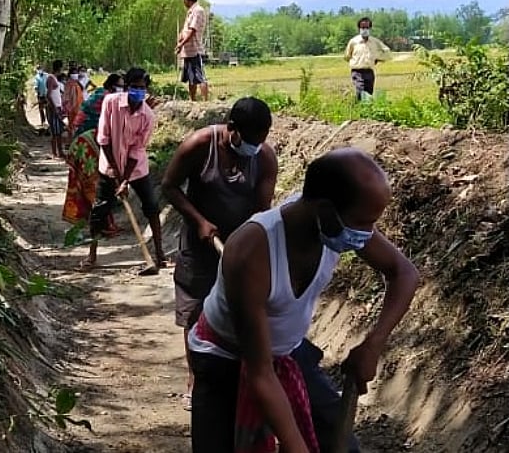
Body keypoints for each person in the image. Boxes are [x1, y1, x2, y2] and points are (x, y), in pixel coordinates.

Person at [189, 148, 420, 453]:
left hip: (288, 354)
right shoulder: (251, 250)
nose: (366, 235)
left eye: (371, 224)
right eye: (362, 223)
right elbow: (260, 373)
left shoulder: (334, 223)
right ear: (323, 209)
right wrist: (295, 445)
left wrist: (373, 344)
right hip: (225, 359)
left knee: (342, 446)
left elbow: (404, 273)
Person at [161, 97, 278, 411]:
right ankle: (195, 380)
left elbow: (262, 211)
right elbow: (169, 186)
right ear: (232, 129)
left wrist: (249, 248)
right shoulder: (200, 145)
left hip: (239, 251)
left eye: (261, 140)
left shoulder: (264, 158)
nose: (255, 146)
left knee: (242, 313)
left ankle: (240, 377)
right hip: (199, 248)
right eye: (250, 140)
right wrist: (199, 220)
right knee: (195, 313)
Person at [81, 68, 166, 270]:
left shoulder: (147, 115)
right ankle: (91, 255)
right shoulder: (111, 103)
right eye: (134, 87)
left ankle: (160, 253)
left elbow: (137, 150)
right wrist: (117, 176)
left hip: (136, 170)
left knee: (152, 207)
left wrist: (126, 179)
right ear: (126, 88)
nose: (138, 91)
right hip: (109, 167)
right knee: (100, 209)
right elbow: (104, 139)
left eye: (142, 88)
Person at [62, 74, 126, 236]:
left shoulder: (101, 94)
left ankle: (99, 222)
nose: (122, 89)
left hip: (86, 142)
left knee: (93, 184)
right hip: (89, 143)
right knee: (97, 184)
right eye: (120, 85)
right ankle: (102, 225)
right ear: (112, 86)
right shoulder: (109, 99)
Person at [344, 17, 392, 101]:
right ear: (359, 29)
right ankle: (359, 109)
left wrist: (378, 58)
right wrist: (355, 61)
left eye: (367, 27)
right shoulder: (353, 42)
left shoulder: (375, 42)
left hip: (369, 72)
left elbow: (387, 51)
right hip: (357, 71)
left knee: (368, 93)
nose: (365, 30)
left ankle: (366, 111)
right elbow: (347, 56)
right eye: (363, 28)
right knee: (360, 90)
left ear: (370, 28)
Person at [175, 0, 208, 102]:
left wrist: (181, 44)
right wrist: (180, 38)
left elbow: (192, 30)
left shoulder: (198, 10)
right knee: (191, 78)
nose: (183, 2)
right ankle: (192, 100)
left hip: (195, 49)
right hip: (188, 51)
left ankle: (205, 101)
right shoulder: (190, 12)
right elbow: (186, 29)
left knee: (200, 77)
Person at [46, 60, 66, 159]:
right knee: (55, 132)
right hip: (54, 108)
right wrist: (54, 108)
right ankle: (54, 153)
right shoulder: (51, 78)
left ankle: (60, 151)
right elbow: (48, 95)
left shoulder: (54, 78)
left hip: (58, 107)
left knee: (59, 131)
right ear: (60, 68)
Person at [63, 67, 85, 138]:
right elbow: (66, 96)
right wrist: (67, 107)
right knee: (71, 125)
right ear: (70, 74)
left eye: (76, 73)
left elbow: (82, 90)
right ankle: (71, 141)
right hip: (72, 108)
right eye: (73, 73)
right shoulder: (68, 84)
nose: (75, 74)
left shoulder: (77, 83)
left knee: (77, 125)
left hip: (79, 107)